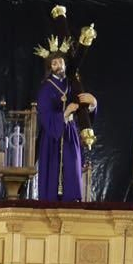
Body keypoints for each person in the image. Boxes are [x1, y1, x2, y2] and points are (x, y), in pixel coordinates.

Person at [35, 51, 96, 202]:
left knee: (72, 165)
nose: (58, 66)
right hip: (52, 136)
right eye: (54, 63)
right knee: (52, 170)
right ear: (50, 66)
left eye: (60, 62)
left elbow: (83, 110)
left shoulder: (73, 84)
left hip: (69, 134)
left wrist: (93, 103)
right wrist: (65, 112)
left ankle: (72, 200)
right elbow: (44, 114)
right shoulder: (45, 89)